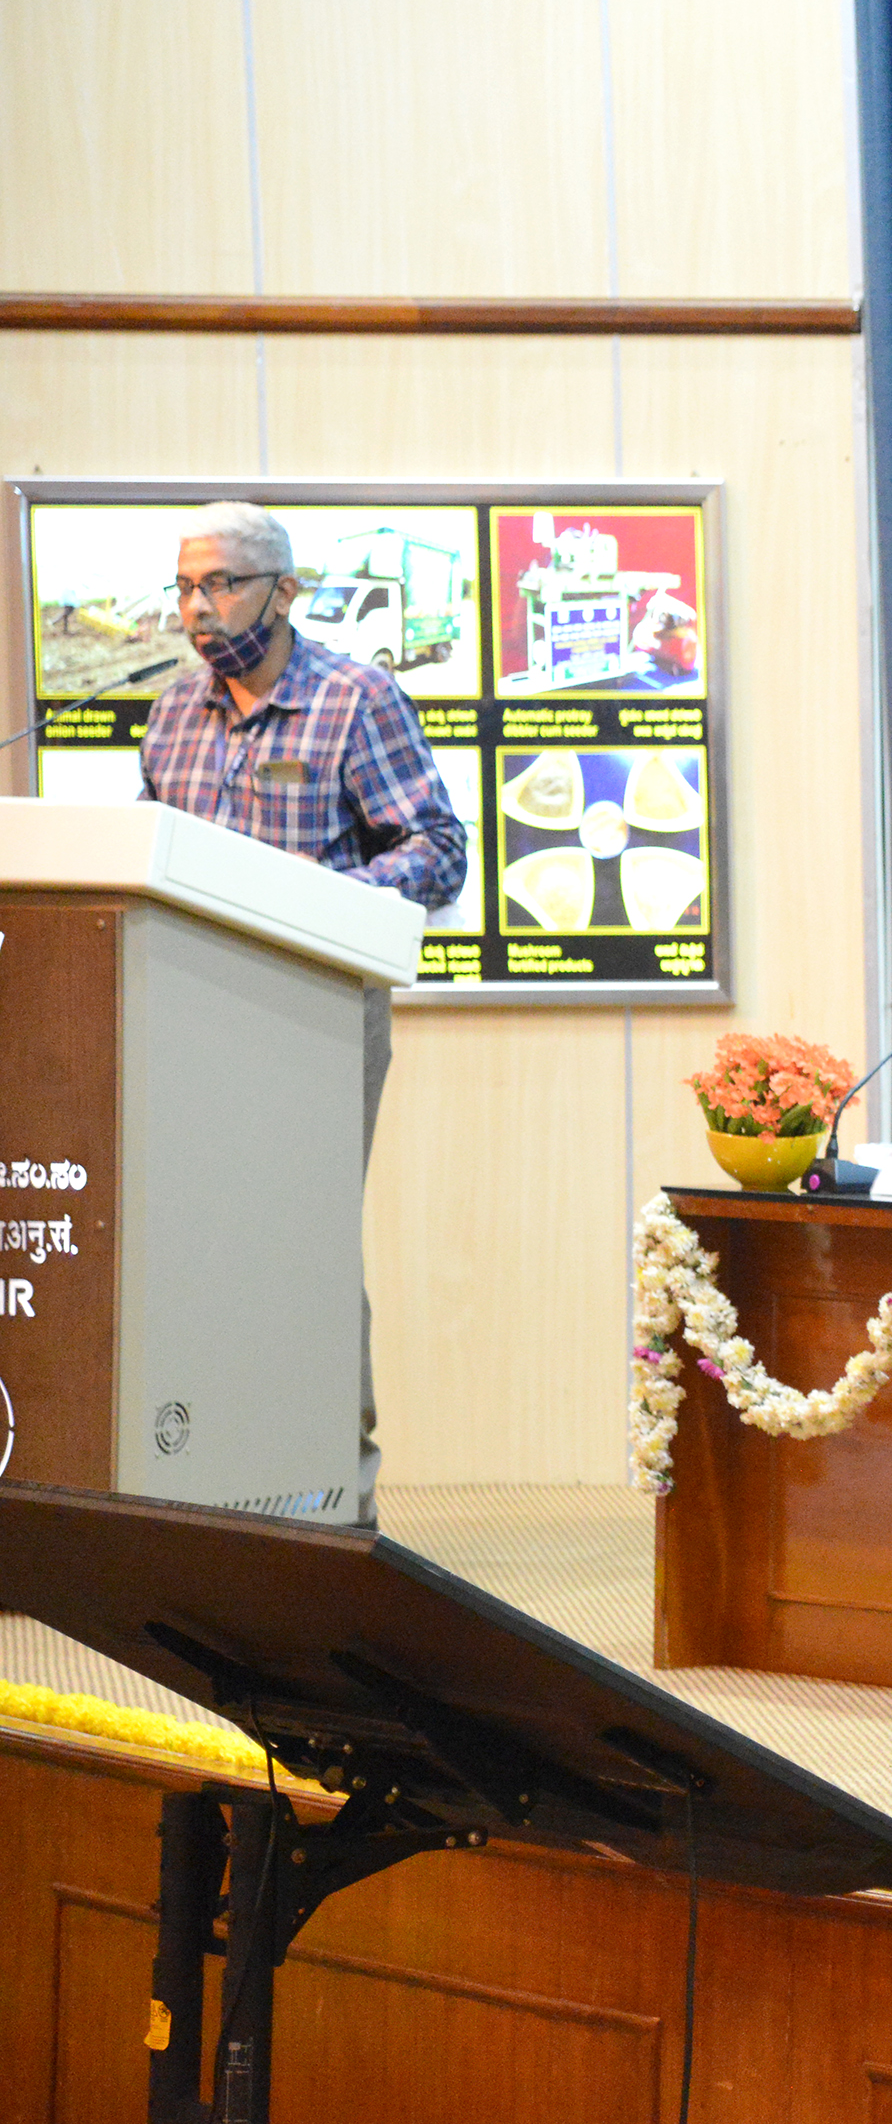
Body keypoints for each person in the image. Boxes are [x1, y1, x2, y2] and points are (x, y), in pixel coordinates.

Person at [142, 502, 470, 1523]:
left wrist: (323, 898)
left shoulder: (356, 700)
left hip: (314, 1011)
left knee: (304, 1243)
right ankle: (203, 1477)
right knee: (189, 1241)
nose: (201, 608)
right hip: (180, 1011)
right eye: (187, 587)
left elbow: (436, 850)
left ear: (286, 590)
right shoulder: (171, 714)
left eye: (224, 584)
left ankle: (335, 1492)